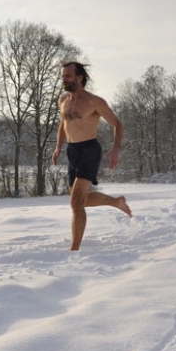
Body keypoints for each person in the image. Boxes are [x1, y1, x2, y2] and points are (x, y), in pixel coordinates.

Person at [52, 61, 132, 250]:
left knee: (76, 203)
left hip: (89, 150)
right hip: (72, 152)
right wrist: (58, 148)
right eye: (62, 76)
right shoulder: (63, 100)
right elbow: (63, 126)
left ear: (80, 77)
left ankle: (75, 249)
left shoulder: (94, 101)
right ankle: (116, 202)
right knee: (80, 199)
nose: (64, 79)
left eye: (68, 76)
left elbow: (117, 124)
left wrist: (116, 149)